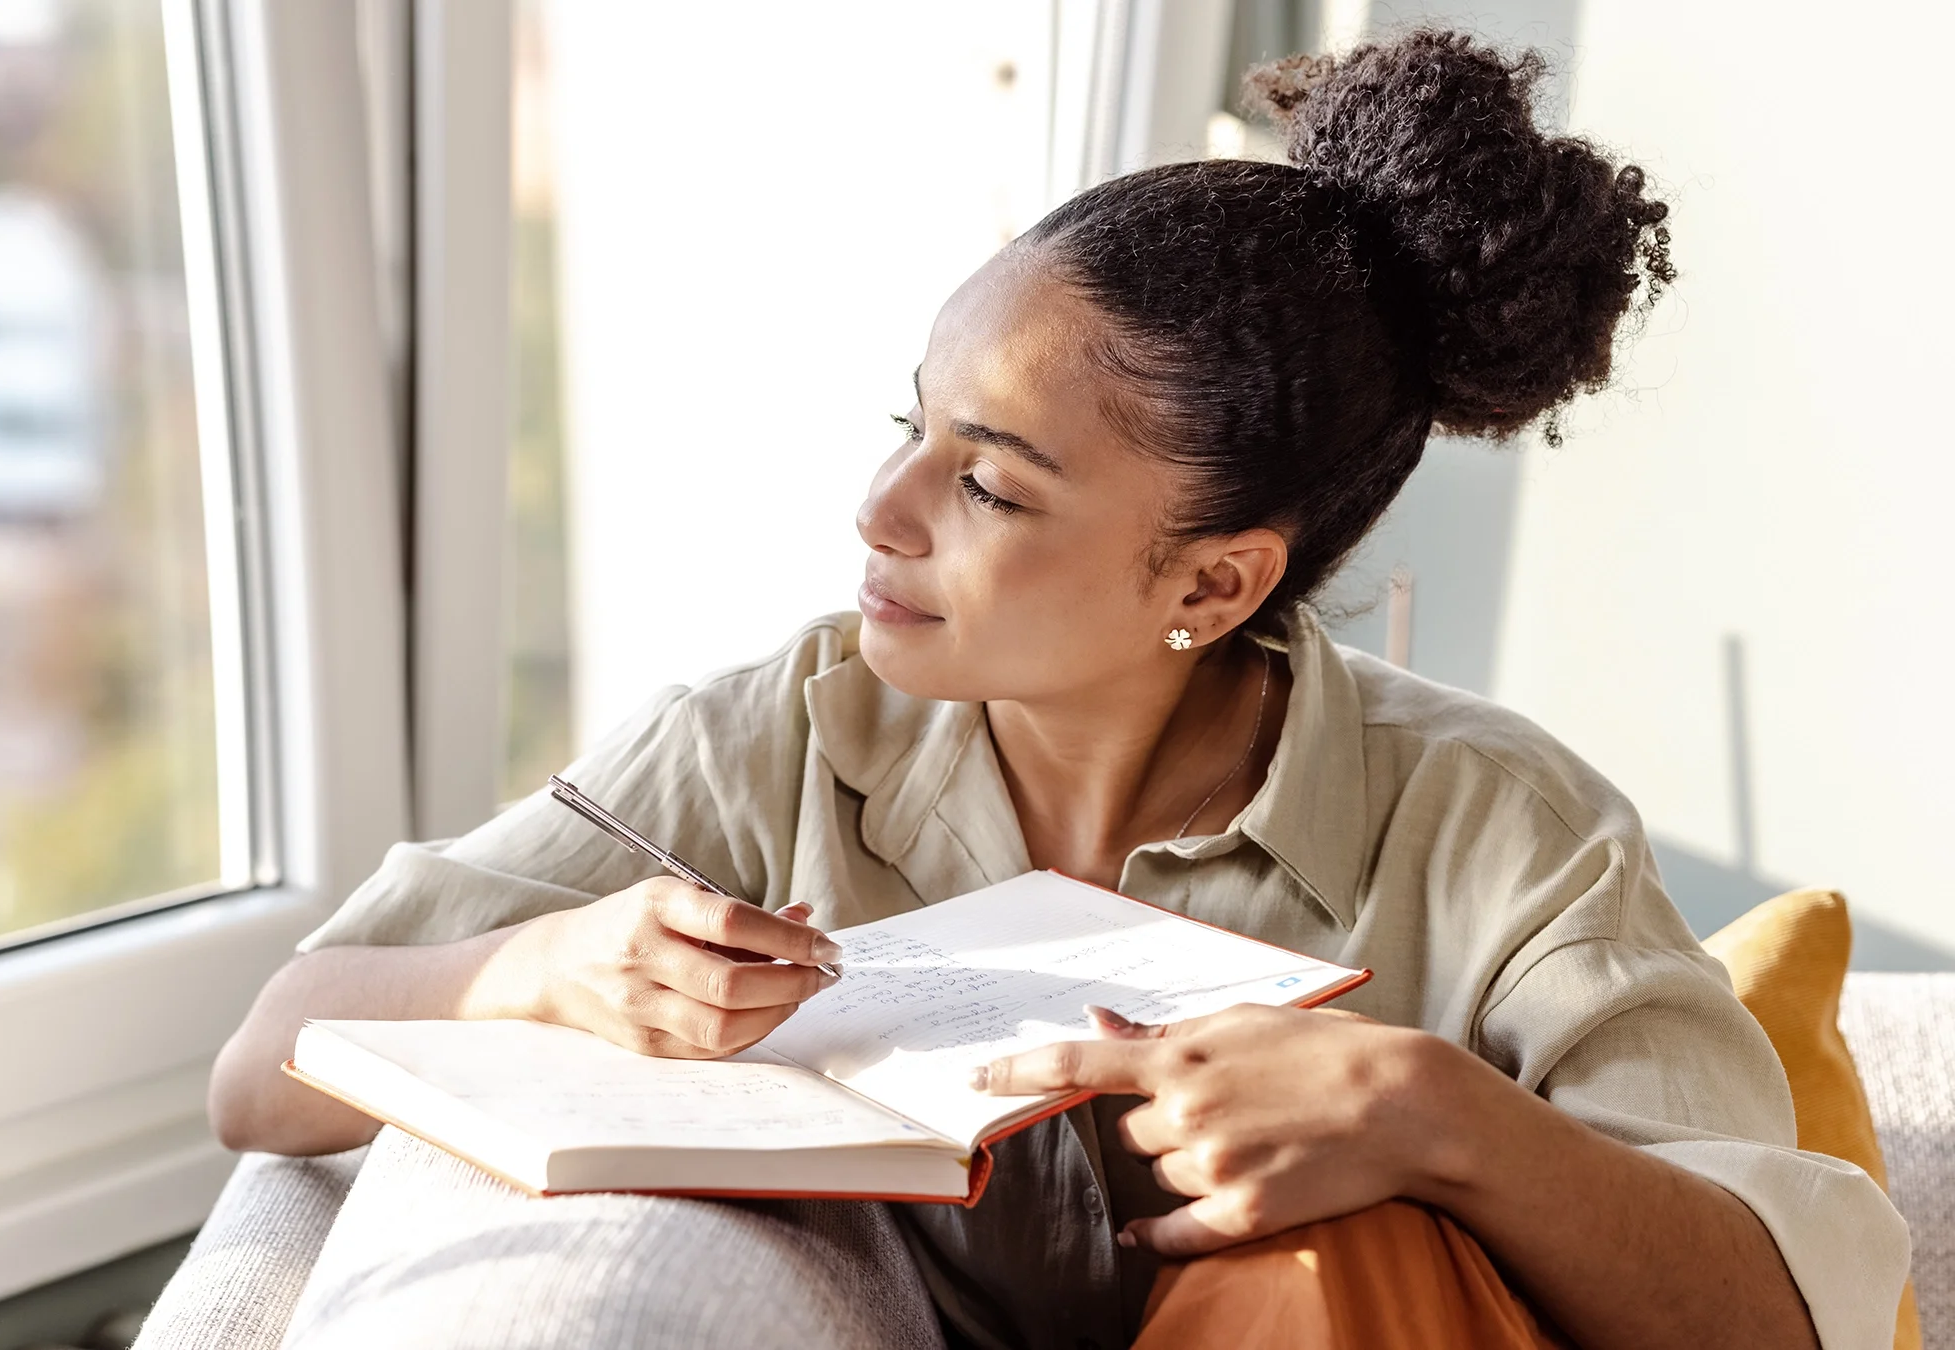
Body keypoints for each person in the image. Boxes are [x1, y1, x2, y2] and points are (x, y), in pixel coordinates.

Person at [206, 29, 1907, 1350]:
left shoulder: (1496, 824)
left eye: (991, 485)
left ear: (1213, 579)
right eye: (909, 424)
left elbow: (1773, 1311)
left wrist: (1433, 1117)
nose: (881, 513)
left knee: (1343, 1250)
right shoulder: (776, 737)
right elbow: (265, 1064)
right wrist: (546, 964)